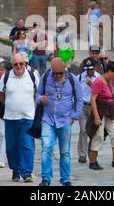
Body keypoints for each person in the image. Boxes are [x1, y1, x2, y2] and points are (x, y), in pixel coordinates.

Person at [36, 57, 83, 186]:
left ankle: (65, 179)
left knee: (65, 151)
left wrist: (74, 116)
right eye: (55, 73)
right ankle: (46, 179)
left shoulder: (73, 79)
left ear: (64, 70)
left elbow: (79, 99)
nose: (57, 76)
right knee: (46, 148)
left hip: (65, 120)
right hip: (48, 119)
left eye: (60, 73)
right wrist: (41, 99)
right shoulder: (46, 77)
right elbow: (37, 95)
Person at [0, 54, 38, 182]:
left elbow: (38, 92)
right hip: (10, 117)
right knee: (12, 146)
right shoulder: (6, 76)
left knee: (27, 145)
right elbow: (0, 94)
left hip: (28, 118)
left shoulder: (32, 76)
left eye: (21, 63)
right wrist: (9, 103)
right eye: (16, 64)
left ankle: (26, 173)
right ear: (12, 65)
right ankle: (16, 170)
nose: (19, 66)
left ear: (25, 64)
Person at [86, 61, 114, 171]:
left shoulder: (111, 80)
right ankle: (93, 161)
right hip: (100, 111)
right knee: (97, 136)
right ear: (108, 71)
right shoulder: (99, 81)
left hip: (110, 111)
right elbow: (93, 99)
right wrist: (97, 117)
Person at [77, 58, 100, 164]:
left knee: (93, 131)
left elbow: (101, 93)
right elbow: (75, 92)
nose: (89, 71)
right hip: (83, 105)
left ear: (95, 68)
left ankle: (92, 152)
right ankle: (82, 154)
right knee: (83, 130)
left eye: (91, 69)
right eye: (87, 69)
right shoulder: (80, 77)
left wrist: (92, 85)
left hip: (94, 106)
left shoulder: (99, 78)